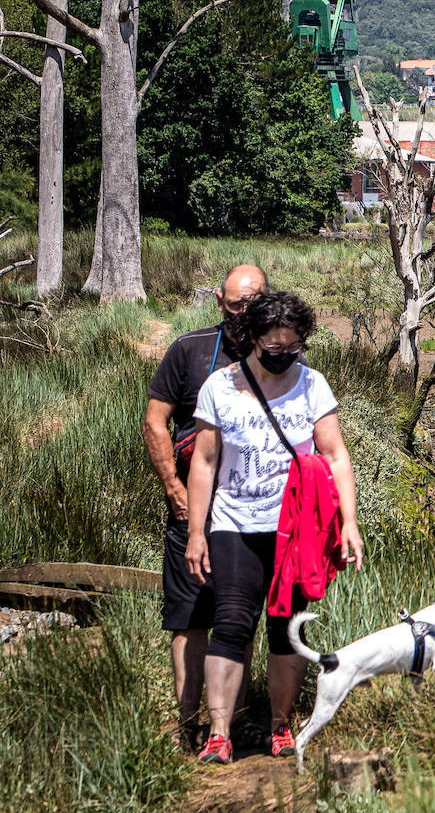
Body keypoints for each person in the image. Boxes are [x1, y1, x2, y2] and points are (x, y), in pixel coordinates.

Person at [184, 292, 363, 763]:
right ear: (253, 340)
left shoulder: (313, 385)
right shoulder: (219, 388)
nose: (284, 356)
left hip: (296, 531)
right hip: (234, 524)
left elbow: (335, 454)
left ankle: (279, 725)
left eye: (293, 348)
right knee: (232, 622)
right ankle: (220, 733)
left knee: (286, 628)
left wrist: (349, 522)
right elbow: (203, 463)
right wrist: (197, 532)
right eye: (274, 348)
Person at [144, 264, 267, 750]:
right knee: (190, 618)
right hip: (190, 512)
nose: (243, 315)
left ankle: (234, 718)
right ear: (220, 302)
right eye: (235, 306)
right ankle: (187, 722)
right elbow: (156, 421)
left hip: (250, 515)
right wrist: (174, 487)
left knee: (240, 617)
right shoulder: (189, 350)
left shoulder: (275, 355)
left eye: (252, 305)